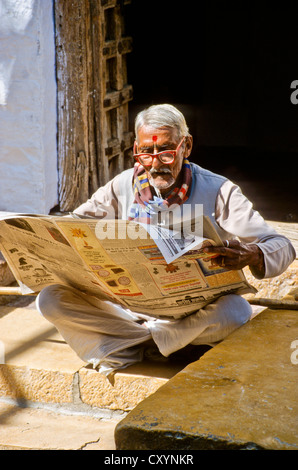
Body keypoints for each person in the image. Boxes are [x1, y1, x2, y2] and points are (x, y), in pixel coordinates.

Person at [36, 104, 296, 375]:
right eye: (146, 153)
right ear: (136, 149)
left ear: (187, 146)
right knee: (50, 299)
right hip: (130, 312)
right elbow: (73, 227)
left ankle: (132, 346)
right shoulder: (122, 186)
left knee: (236, 311)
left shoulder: (218, 190)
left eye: (167, 151)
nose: (156, 163)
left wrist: (253, 253)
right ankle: (164, 344)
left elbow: (280, 244)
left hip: (195, 314)